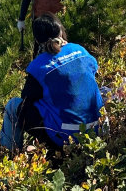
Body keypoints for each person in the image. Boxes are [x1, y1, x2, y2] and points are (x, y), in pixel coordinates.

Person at [16, 13, 103, 149]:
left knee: (16, 106)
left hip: (67, 136)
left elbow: (26, 98)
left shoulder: (38, 66)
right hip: (98, 128)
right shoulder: (80, 50)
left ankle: (14, 151)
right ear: (61, 30)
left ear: (37, 40)